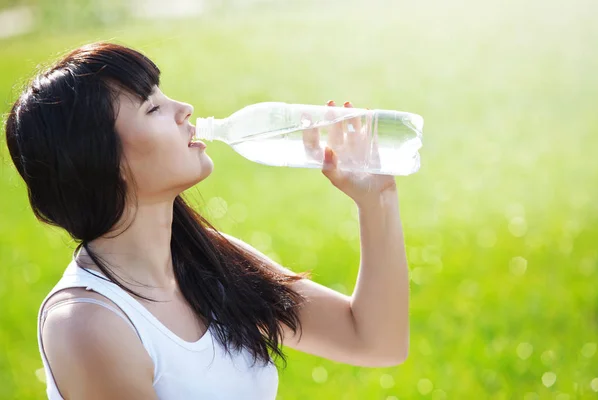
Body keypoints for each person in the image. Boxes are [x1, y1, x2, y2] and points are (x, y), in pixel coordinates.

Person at [4, 42, 409, 400]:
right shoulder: (88, 324)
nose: (184, 109)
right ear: (102, 162)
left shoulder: (211, 260)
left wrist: (377, 200)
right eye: (153, 107)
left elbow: (375, 341)